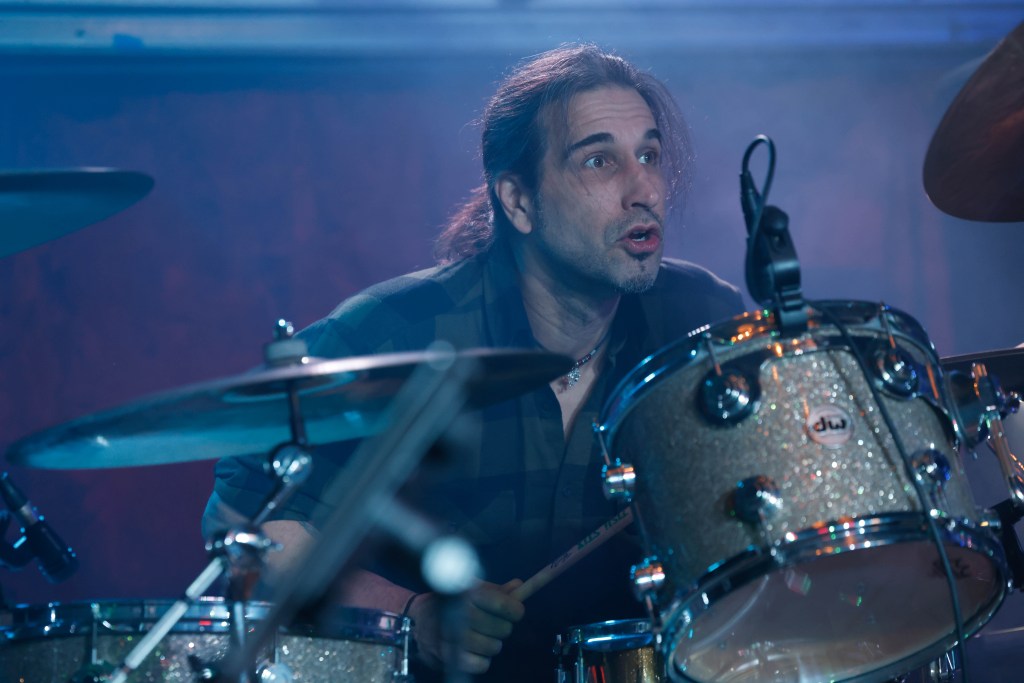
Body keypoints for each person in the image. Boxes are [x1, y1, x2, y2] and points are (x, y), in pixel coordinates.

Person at [203, 44, 744, 681]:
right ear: (518, 201)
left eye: (648, 155)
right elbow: (251, 525)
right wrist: (411, 615)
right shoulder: (400, 332)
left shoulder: (702, 318)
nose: (644, 190)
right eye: (600, 161)